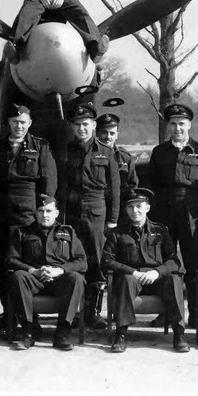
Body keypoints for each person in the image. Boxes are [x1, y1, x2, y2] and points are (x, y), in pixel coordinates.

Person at [0, 104, 57, 329]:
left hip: (27, 215)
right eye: (15, 122)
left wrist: (42, 211)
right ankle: (9, 313)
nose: (19, 126)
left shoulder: (41, 147)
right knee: (0, 263)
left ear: (29, 124)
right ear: (9, 123)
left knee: (26, 264)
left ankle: (29, 317)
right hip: (1, 214)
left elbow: (49, 182)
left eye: (23, 122)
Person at [143, 103, 198, 326]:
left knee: (194, 263)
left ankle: (195, 313)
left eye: (181, 124)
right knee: (164, 261)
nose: (177, 128)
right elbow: (152, 185)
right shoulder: (159, 152)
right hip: (164, 212)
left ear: (189, 124)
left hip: (192, 213)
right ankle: (167, 312)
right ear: (167, 126)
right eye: (172, 124)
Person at [103, 188, 190, 353]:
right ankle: (121, 335)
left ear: (147, 208)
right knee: (127, 280)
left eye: (139, 206)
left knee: (174, 280)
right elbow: (106, 260)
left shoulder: (161, 231)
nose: (135, 211)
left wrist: (157, 272)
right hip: (133, 278)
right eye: (130, 207)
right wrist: (132, 272)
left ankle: (179, 334)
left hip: (156, 278)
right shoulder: (118, 233)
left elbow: (174, 261)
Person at [58, 102, 120, 329]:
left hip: (96, 213)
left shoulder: (105, 152)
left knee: (96, 262)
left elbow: (114, 190)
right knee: (72, 260)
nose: (81, 128)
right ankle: (73, 311)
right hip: (72, 213)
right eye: (77, 125)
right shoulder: (66, 151)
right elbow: (61, 185)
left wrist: (112, 219)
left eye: (85, 124)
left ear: (93, 125)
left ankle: (93, 312)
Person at [5, 194, 87, 351]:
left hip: (60, 280)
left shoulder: (68, 232)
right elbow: (11, 259)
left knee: (76, 278)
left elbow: (82, 261)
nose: (45, 215)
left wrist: (60, 270)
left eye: (49, 211)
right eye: (41, 211)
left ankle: (62, 333)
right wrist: (33, 270)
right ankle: (28, 332)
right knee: (18, 276)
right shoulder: (22, 232)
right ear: (35, 213)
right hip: (34, 279)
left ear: (57, 213)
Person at [96, 112, 139, 197]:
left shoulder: (124, 157)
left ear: (117, 135)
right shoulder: (91, 156)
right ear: (97, 133)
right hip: (99, 204)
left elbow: (133, 185)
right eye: (104, 132)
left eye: (112, 133)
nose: (108, 137)